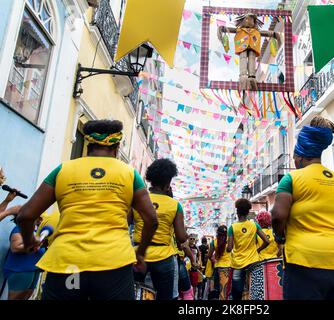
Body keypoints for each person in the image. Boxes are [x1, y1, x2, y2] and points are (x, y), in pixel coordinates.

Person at [16, 120, 159, 300]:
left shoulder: (63, 170)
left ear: (88, 146)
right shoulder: (129, 174)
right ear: (116, 148)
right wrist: (141, 252)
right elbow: (152, 220)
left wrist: (30, 241)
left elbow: (25, 215)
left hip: (69, 265)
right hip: (113, 265)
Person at [271, 115, 334, 300]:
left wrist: (280, 237)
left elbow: (278, 215)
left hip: (307, 261)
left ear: (300, 156)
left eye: (295, 156)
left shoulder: (292, 179)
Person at [136, 159, 189, 300]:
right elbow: (181, 238)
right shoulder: (175, 205)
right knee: (166, 297)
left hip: (137, 254)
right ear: (167, 184)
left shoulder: (138, 199)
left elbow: (125, 223)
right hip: (163, 258)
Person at [227, 198, 269, 300]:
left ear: (237, 212)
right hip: (253, 261)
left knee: (237, 293)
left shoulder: (232, 227)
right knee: (255, 290)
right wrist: (257, 250)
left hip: (238, 263)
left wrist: (229, 249)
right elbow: (267, 241)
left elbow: (229, 248)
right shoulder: (254, 225)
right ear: (247, 212)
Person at [3, 211, 45, 300]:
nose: (40, 219)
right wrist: (34, 245)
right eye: (38, 217)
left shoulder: (36, 230)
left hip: (34, 268)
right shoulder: (19, 229)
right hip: (20, 269)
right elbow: (15, 247)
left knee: (26, 296)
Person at [208, 225, 232, 300]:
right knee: (227, 290)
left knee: (220, 290)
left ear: (217, 233)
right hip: (229, 267)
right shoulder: (230, 240)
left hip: (218, 268)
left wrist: (214, 260)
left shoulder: (214, 242)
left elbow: (209, 255)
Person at [188, 234, 201, 299]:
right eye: (191, 238)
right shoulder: (186, 246)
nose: (192, 240)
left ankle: (193, 297)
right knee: (187, 284)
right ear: (188, 239)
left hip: (194, 268)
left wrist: (199, 262)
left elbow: (199, 255)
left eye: (193, 239)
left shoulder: (196, 247)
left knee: (195, 284)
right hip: (187, 268)